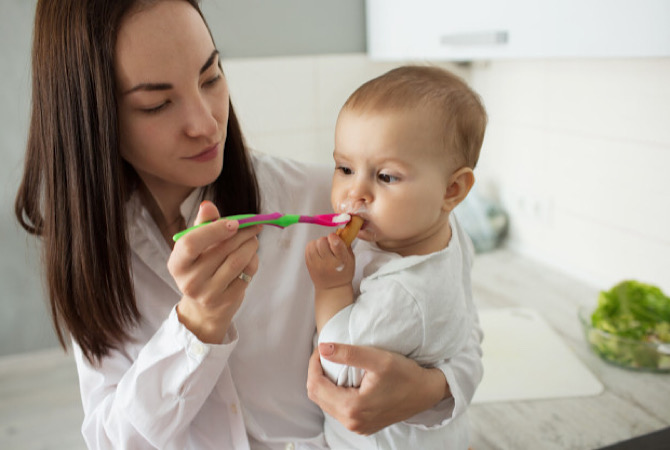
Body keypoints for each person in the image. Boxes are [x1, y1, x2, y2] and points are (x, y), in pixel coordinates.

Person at [14, 1, 483, 449]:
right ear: (92, 118)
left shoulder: (349, 205)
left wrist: (428, 390)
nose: (206, 123)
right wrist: (196, 327)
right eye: (157, 104)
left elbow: (457, 334)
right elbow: (112, 440)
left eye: (211, 76)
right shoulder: (94, 254)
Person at [305, 65, 487, 449]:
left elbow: (338, 365)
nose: (355, 194)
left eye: (386, 177)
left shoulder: (406, 292)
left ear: (452, 190)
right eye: (345, 168)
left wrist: (331, 285)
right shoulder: (447, 235)